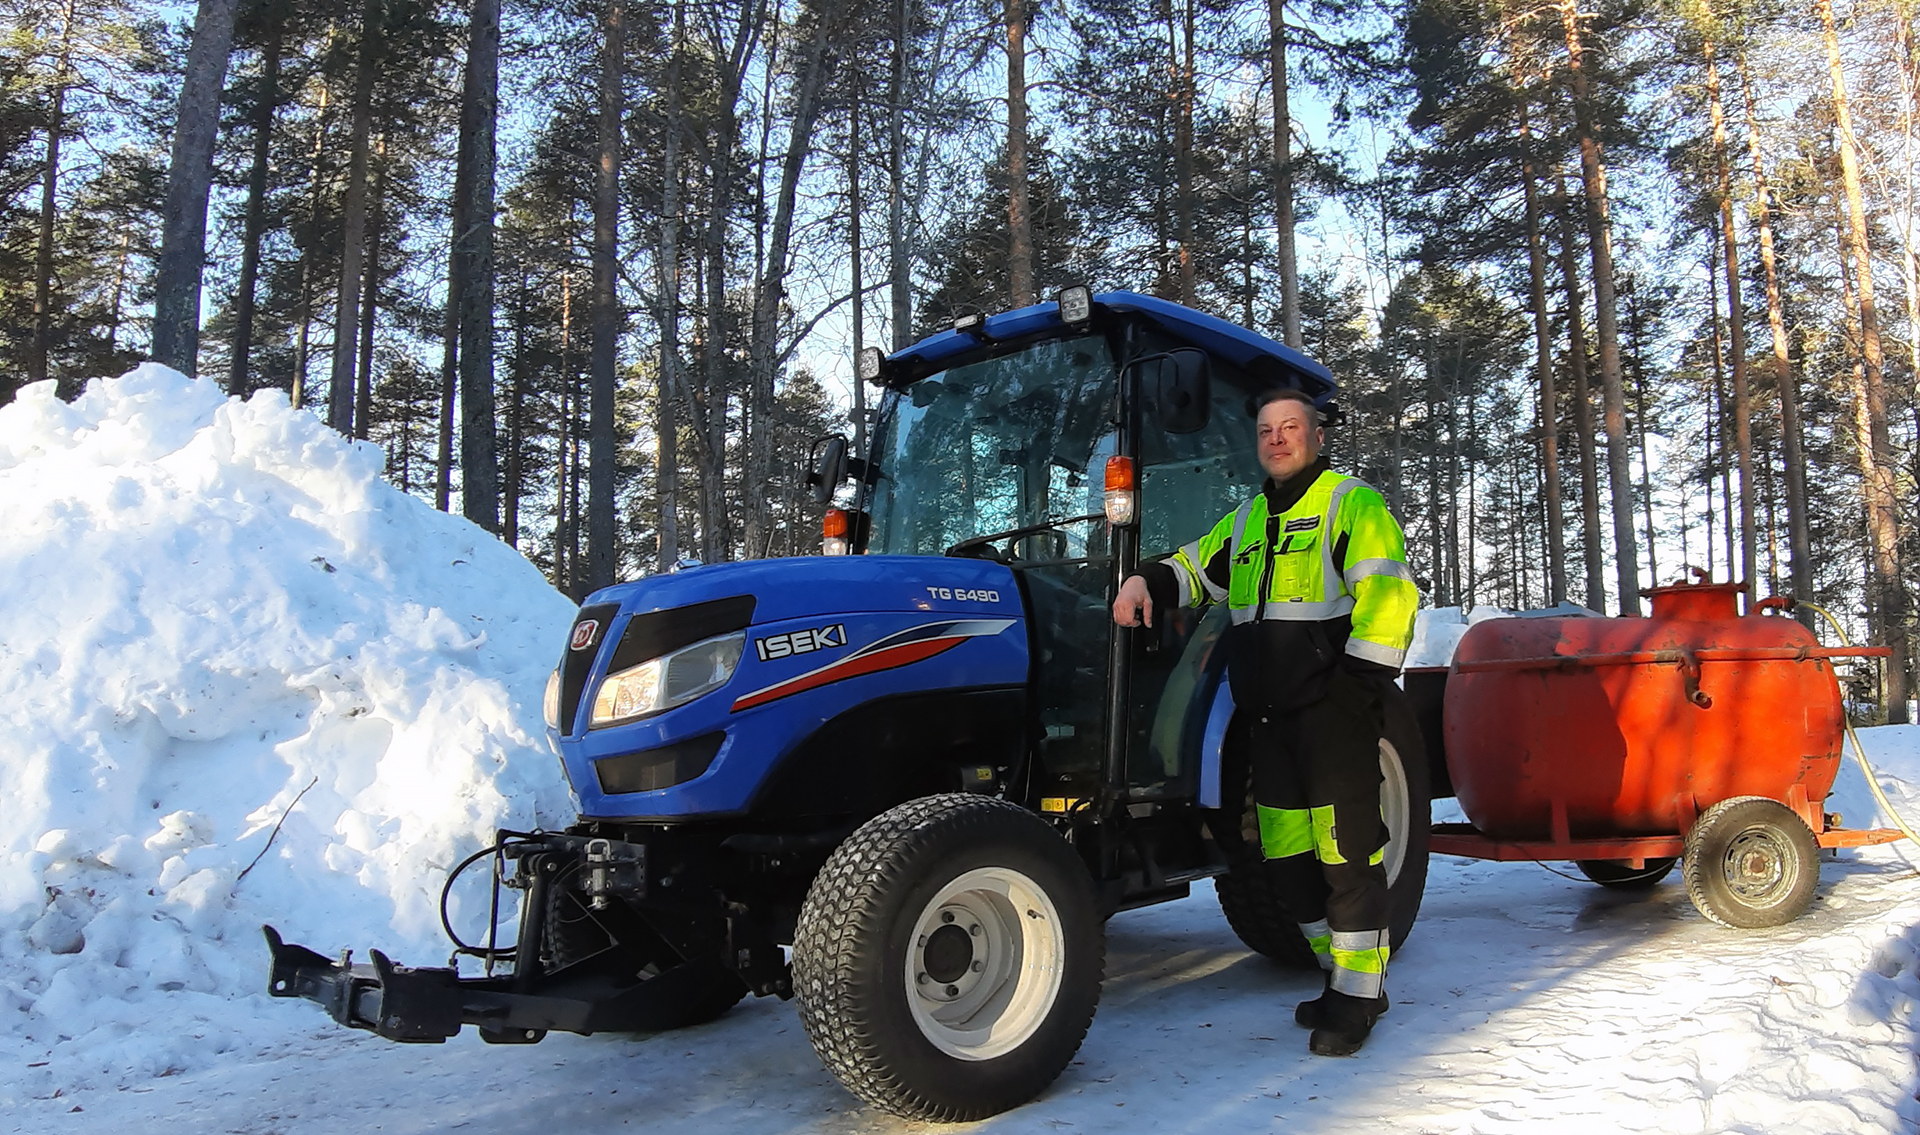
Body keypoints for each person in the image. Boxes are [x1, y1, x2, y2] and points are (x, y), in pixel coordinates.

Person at [1112, 386, 1417, 1056]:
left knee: (1347, 853)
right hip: (1270, 721)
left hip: (1332, 715)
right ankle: (1337, 973)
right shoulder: (1248, 521)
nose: (1277, 438)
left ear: (1315, 436)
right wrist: (1144, 581)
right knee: (1285, 859)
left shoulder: (1350, 503)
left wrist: (1354, 688)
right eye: (1266, 429)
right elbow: (1196, 569)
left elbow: (1390, 596)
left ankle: (1361, 995)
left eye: (1290, 427)